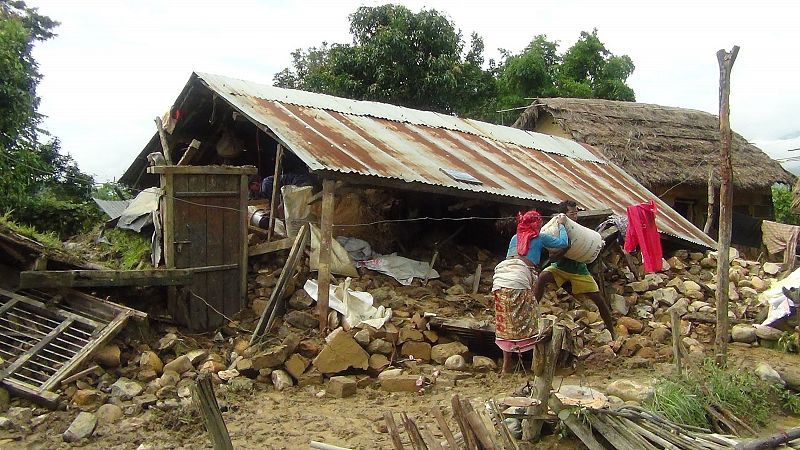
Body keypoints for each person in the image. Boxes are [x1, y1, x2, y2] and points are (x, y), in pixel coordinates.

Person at [493, 210, 568, 373]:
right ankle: (537, 364)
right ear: (537, 224)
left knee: (506, 321)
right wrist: (562, 225)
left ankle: (507, 366)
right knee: (531, 319)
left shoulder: (515, 237)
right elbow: (563, 243)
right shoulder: (540, 237)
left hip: (500, 278)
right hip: (519, 277)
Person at [534, 200, 616, 338]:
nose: (575, 216)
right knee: (542, 278)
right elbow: (552, 258)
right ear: (563, 215)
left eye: (576, 213)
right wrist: (565, 248)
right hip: (559, 268)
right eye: (572, 213)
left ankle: (612, 331)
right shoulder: (555, 232)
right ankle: (532, 312)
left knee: (599, 299)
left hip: (579, 270)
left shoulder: (577, 231)